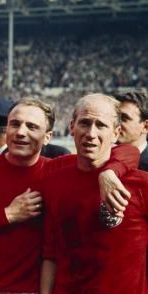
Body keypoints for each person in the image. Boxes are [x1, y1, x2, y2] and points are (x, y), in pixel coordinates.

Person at [0, 98, 137, 293]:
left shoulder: (57, 169)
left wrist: (110, 172)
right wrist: (7, 215)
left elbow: (128, 151)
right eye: (15, 124)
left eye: (32, 127)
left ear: (47, 137)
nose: (21, 132)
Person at [40, 93, 148, 293]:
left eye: (101, 125)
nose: (91, 133)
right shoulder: (55, 178)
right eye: (85, 123)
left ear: (116, 133)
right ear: (71, 127)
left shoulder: (141, 184)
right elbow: (51, 253)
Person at [115, 90, 148, 170]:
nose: (116, 123)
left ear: (145, 127)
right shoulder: (102, 159)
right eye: (115, 117)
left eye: (124, 118)